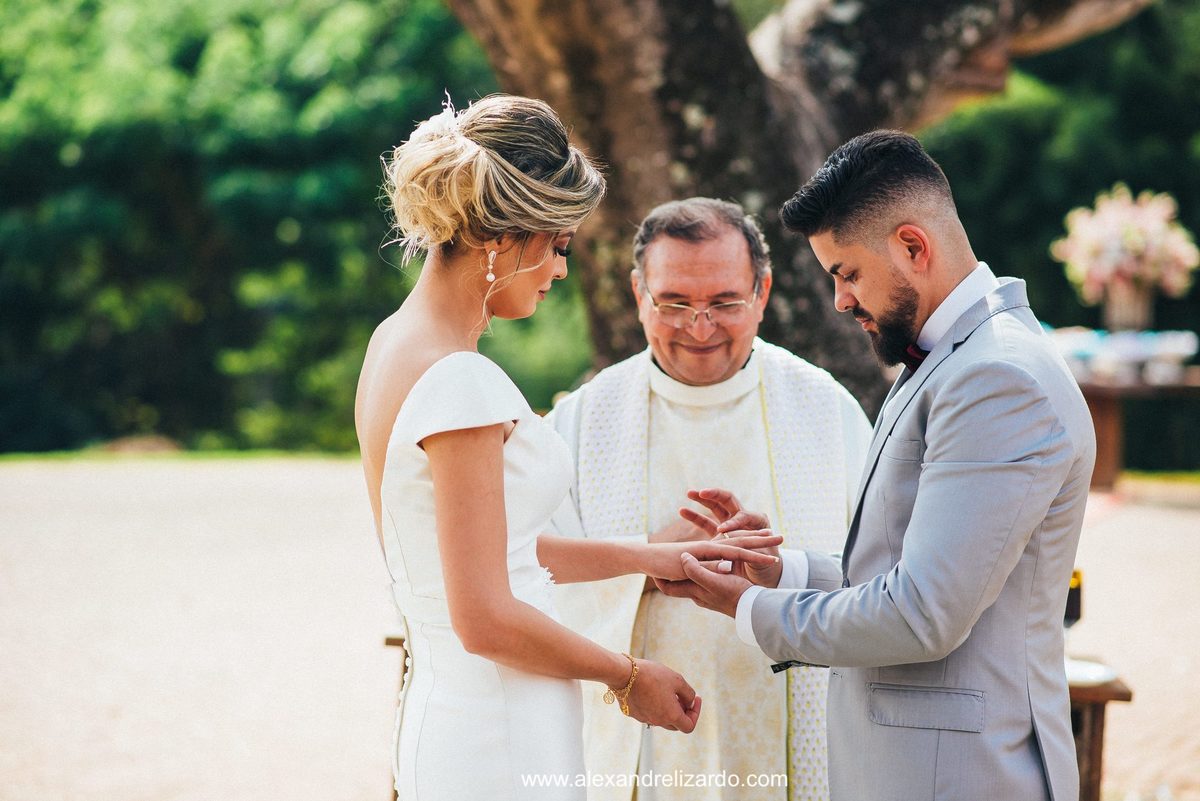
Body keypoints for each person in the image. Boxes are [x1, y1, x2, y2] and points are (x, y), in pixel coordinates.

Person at [355, 95, 781, 801]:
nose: (559, 269)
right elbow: (485, 615)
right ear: (504, 236)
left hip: (454, 712)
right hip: (500, 731)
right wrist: (629, 674)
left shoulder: (395, 345)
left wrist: (650, 555)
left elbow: (488, 549)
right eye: (558, 244)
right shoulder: (460, 380)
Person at [656, 131, 1096, 801]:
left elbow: (921, 613)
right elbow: (920, 572)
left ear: (913, 247)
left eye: (847, 273)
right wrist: (782, 569)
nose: (839, 300)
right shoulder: (955, 359)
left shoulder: (996, 378)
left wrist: (752, 607)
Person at [546, 198, 871, 801]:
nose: (700, 327)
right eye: (674, 303)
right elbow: (528, 584)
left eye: (724, 302)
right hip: (639, 741)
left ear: (763, 291)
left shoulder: (825, 410)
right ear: (639, 294)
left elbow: (879, 576)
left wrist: (779, 569)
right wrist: (648, 559)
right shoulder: (584, 421)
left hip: (795, 737)